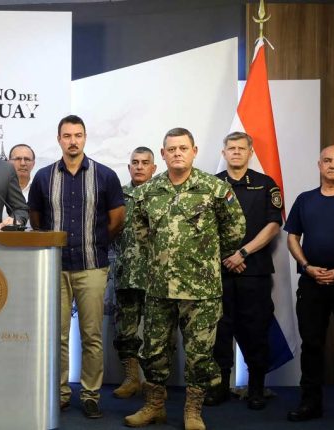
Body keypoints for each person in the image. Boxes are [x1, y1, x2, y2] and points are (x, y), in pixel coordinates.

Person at [125, 128, 245, 430]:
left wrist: (204, 258)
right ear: (163, 154)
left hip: (200, 290)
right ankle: (154, 407)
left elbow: (235, 230)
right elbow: (138, 230)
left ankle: (193, 412)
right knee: (153, 351)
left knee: (199, 355)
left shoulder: (214, 189)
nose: (177, 153)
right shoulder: (146, 192)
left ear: (194, 151)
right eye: (171, 149)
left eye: (183, 148)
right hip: (158, 287)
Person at [28, 115, 125, 419]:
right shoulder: (43, 177)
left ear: (85, 138)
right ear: (59, 139)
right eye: (67, 135)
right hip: (54, 268)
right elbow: (36, 219)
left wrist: (94, 242)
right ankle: (59, 393)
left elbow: (117, 220)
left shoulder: (105, 175)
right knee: (56, 335)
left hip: (92, 265)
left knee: (92, 334)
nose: (73, 141)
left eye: (78, 135)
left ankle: (92, 394)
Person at [205, 132, 282, 410]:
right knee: (220, 330)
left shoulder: (265, 185)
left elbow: (274, 225)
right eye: (231, 148)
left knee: (255, 329)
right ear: (223, 153)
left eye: (241, 148)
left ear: (250, 153)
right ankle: (221, 386)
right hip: (219, 271)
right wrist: (227, 255)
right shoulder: (210, 185)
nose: (236, 152)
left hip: (254, 270)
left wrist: (243, 252)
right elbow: (202, 227)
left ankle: (257, 388)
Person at [284, 145, 334, 429]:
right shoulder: (305, 200)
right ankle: (310, 403)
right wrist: (306, 267)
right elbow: (292, 237)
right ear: (319, 165)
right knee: (311, 344)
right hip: (312, 283)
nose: (333, 165)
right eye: (327, 160)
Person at [112, 146, 157, 399]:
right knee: (126, 331)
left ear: (154, 167)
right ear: (129, 167)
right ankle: (131, 379)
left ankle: (154, 383)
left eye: (145, 162)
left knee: (157, 333)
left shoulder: (163, 195)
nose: (139, 166)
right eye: (135, 162)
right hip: (126, 274)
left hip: (156, 278)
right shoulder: (118, 196)